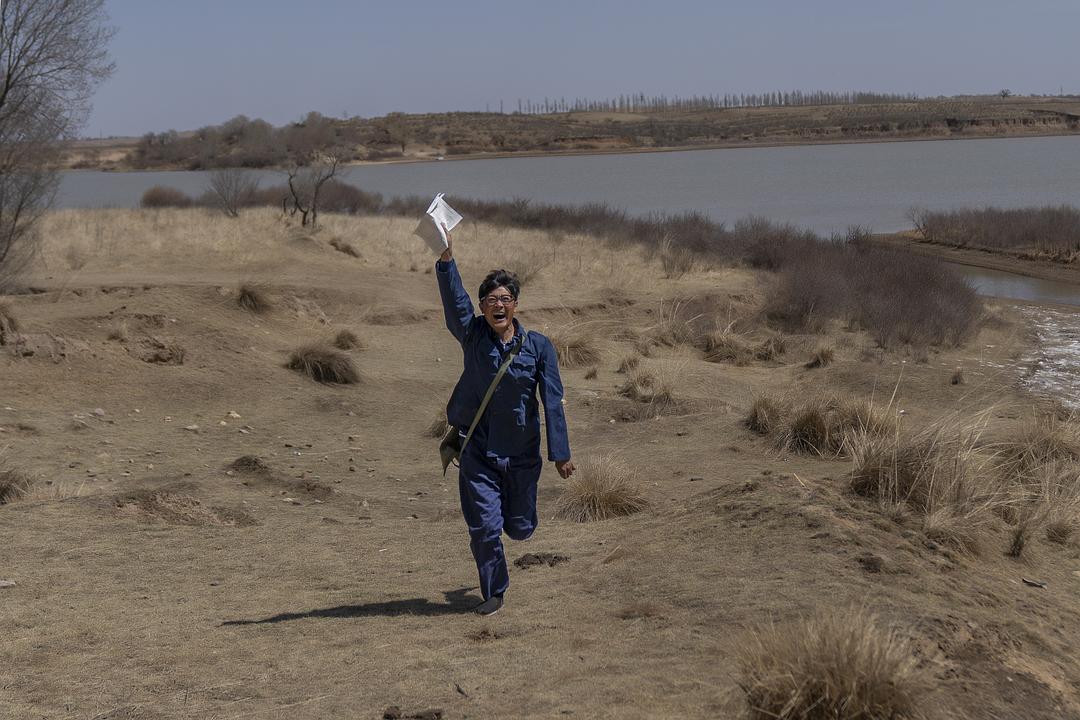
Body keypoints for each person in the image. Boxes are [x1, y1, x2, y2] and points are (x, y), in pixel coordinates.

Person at [435, 228, 575, 616]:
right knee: (483, 525)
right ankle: (494, 591)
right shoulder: (474, 335)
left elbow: (552, 401)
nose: (498, 305)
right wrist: (447, 260)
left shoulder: (539, 346)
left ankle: (513, 527)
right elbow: (455, 304)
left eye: (505, 299)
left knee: (519, 528)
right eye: (491, 300)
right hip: (477, 448)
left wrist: (559, 455)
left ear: (515, 305)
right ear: (483, 307)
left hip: (522, 454)